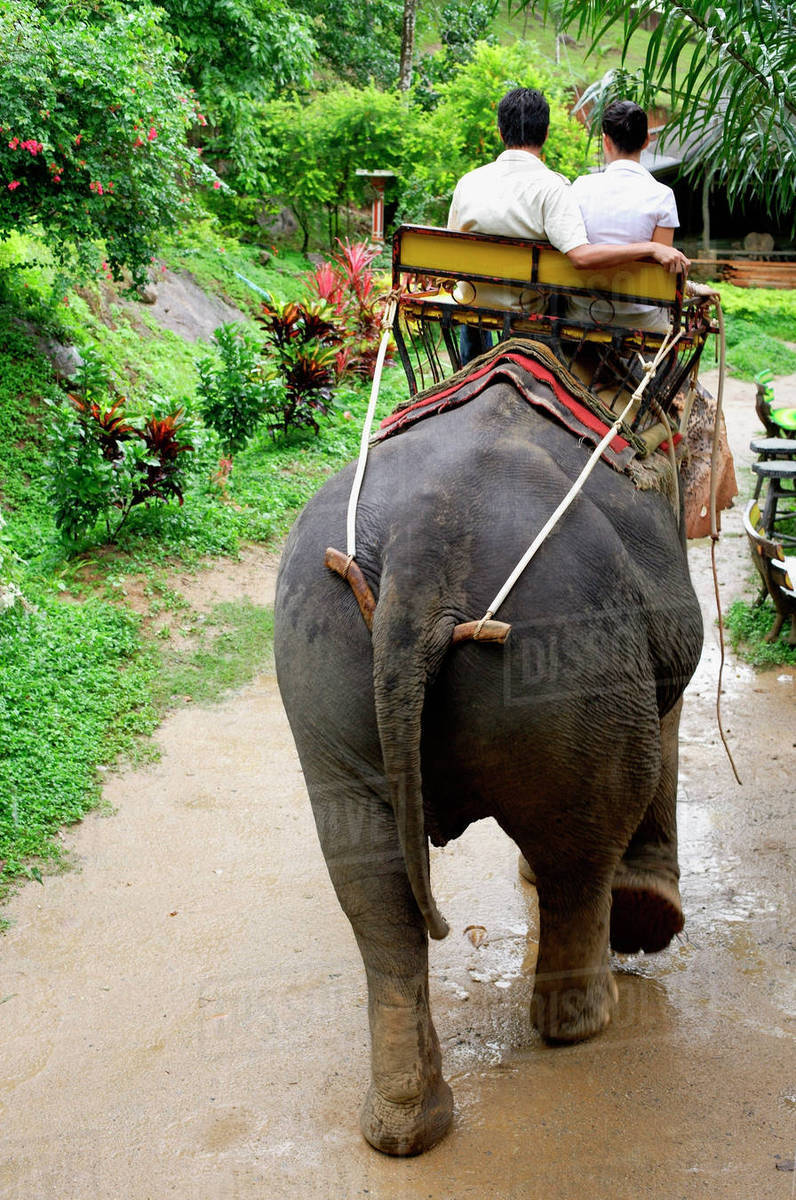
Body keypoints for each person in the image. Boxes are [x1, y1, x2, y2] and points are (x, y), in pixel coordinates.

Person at [447, 88, 689, 363]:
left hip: (474, 302)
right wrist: (650, 248)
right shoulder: (554, 187)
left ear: (501, 133)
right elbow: (579, 255)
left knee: (475, 294)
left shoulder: (468, 182)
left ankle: (467, 365)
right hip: (527, 309)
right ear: (546, 133)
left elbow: (454, 245)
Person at [569, 99, 680, 330]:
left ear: (605, 141)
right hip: (641, 319)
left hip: (585, 312)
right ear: (647, 140)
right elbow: (661, 267)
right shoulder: (663, 195)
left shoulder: (580, 187)